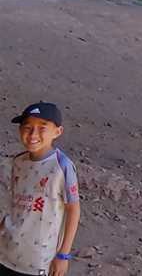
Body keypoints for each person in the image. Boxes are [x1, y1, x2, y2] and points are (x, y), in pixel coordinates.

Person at [0, 103, 81, 276]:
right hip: (6, 251)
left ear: (57, 132)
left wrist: (63, 255)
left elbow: (73, 210)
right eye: (27, 127)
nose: (33, 134)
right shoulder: (18, 162)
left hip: (38, 259)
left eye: (42, 128)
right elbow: (15, 204)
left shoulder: (62, 166)